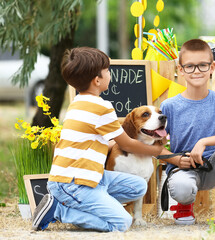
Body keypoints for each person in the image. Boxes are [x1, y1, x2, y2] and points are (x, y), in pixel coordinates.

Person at [31, 47, 163, 232]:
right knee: (122, 223)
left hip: (88, 178)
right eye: (108, 70)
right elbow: (126, 144)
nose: (111, 74)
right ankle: (59, 211)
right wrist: (157, 151)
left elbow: (103, 142)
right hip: (73, 183)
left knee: (140, 186)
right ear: (97, 80)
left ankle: (90, 204)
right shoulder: (102, 107)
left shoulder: (77, 103)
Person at [159, 39, 215, 228]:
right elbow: (155, 146)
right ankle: (184, 207)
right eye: (189, 66)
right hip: (184, 169)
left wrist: (204, 142)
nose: (196, 71)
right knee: (182, 188)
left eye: (202, 65)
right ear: (180, 70)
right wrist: (175, 160)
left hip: (212, 167)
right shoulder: (169, 106)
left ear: (212, 67)